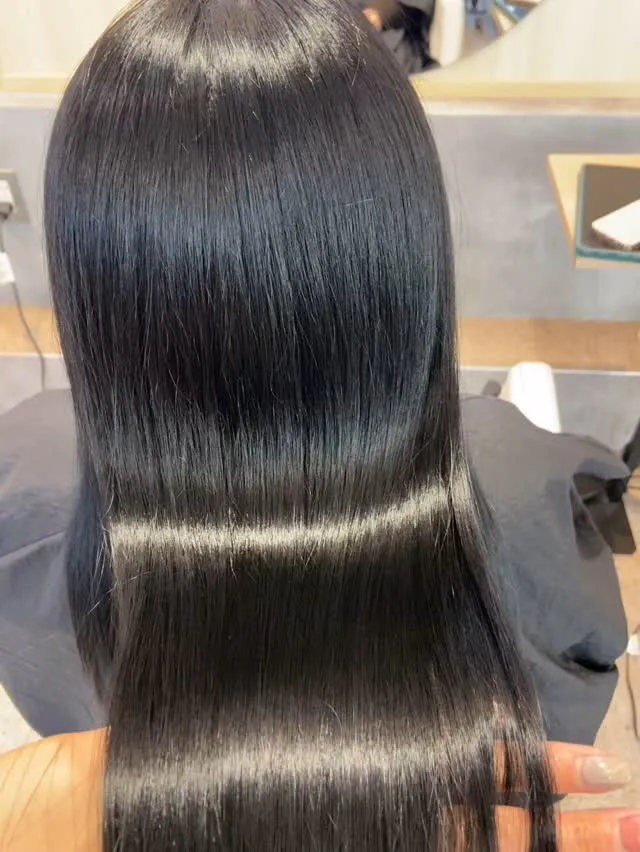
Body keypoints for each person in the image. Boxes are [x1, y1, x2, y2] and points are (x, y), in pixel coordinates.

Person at [0, 0, 635, 848]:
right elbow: (584, 661)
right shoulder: (523, 482)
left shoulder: (22, 473)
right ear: (400, 244)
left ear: (93, 271)